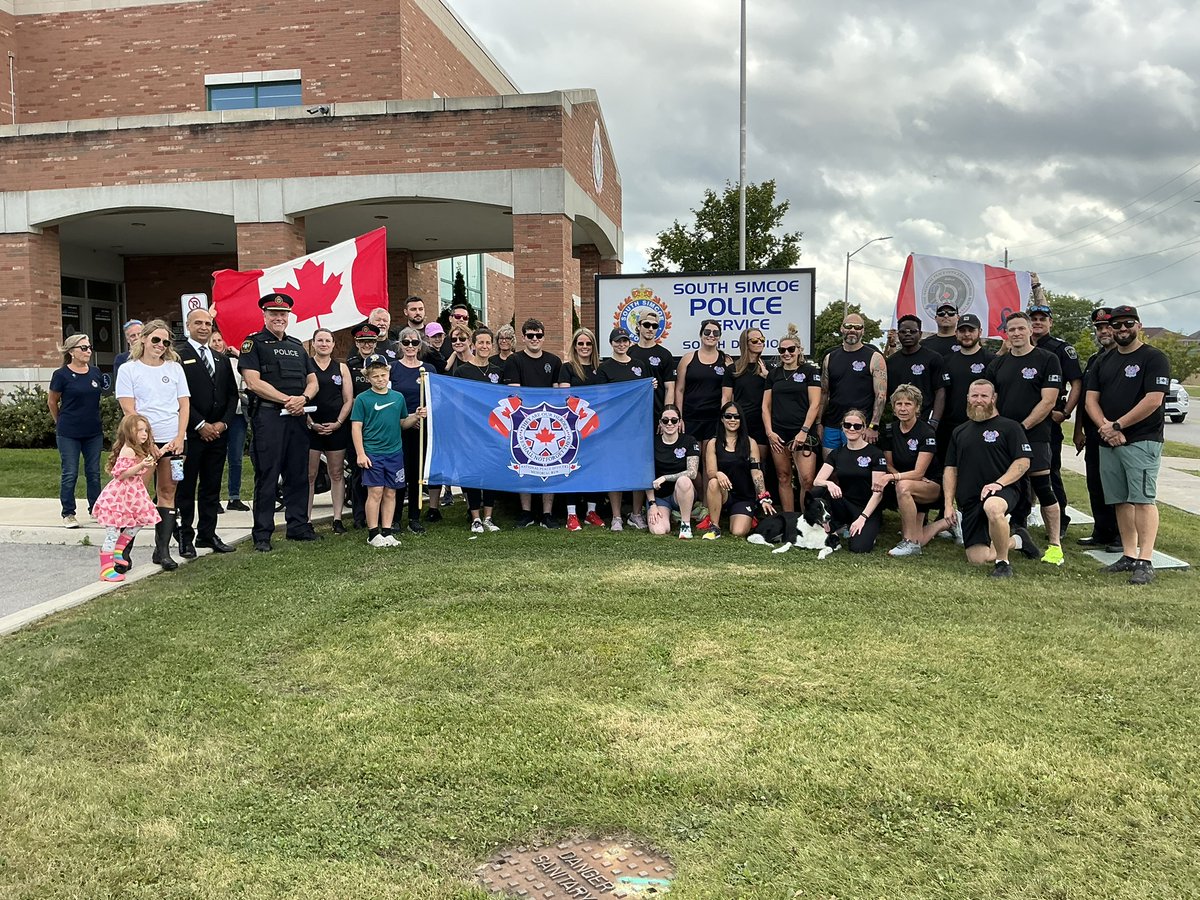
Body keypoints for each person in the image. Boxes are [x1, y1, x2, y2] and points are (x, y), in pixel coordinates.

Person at [1084, 305, 1171, 585]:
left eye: (1128, 324)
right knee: (1120, 500)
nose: (1122, 329)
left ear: (1139, 325)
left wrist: (1118, 425)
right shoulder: (1103, 361)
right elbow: (1090, 400)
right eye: (1117, 325)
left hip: (1141, 439)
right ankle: (1129, 555)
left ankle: (1145, 560)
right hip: (1109, 440)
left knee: (1143, 499)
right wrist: (1105, 428)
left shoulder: (1154, 358)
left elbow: (1153, 400)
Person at [238, 293, 320, 552]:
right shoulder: (253, 344)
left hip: (297, 418)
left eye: (283, 314)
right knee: (268, 475)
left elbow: (313, 381)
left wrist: (303, 398)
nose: (279, 318)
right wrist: (288, 400)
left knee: (298, 474)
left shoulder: (297, 346)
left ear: (288, 317)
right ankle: (262, 533)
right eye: (273, 314)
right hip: (269, 418)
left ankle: (298, 526)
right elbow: (253, 381)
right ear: (264, 315)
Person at [984, 311, 1064, 565]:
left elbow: (1049, 400)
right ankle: (1016, 535)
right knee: (1005, 486)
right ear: (1006, 334)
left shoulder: (1047, 359)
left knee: (1043, 488)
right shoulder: (998, 364)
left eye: (1021, 328)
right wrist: (1003, 428)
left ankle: (1054, 545)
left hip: (1036, 436)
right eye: (1012, 329)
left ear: (1031, 330)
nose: (1016, 333)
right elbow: (989, 399)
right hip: (1003, 438)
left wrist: (1022, 427)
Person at [943, 380, 1039, 577]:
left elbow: (1023, 462)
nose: (979, 400)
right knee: (978, 559)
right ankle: (1018, 540)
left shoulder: (1010, 427)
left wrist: (999, 483)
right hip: (970, 500)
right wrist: (948, 504)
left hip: (1004, 490)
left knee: (993, 507)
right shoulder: (959, 432)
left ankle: (1002, 563)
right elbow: (951, 469)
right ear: (968, 398)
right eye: (974, 396)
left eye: (984, 396)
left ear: (993, 398)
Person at [116, 318, 190, 570]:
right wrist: (146, 443)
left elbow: (184, 405)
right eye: (156, 339)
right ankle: (122, 552)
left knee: (168, 493)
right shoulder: (129, 370)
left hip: (174, 442)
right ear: (144, 339)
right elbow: (129, 408)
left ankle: (162, 551)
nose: (160, 345)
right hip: (142, 442)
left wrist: (180, 436)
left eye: (165, 341)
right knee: (137, 494)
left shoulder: (174, 368)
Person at [175, 307, 238, 558]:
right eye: (198, 323)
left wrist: (223, 423)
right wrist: (201, 425)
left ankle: (207, 534)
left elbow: (232, 395)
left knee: (211, 487)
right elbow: (180, 398)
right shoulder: (178, 356)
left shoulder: (220, 357)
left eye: (208, 323)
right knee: (186, 488)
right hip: (192, 434)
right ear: (188, 326)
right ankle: (185, 537)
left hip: (218, 434)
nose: (203, 327)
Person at [350, 353, 427, 547]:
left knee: (391, 492)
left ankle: (387, 531)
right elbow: (356, 427)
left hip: (394, 453)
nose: (380, 379)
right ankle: (373, 533)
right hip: (373, 452)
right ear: (367, 378)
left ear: (389, 374)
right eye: (375, 376)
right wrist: (360, 453)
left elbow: (403, 422)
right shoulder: (362, 399)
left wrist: (416, 416)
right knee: (375, 492)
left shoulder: (397, 397)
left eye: (383, 375)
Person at [590, 327, 654, 530]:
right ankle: (616, 516)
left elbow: (646, 391)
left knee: (637, 469)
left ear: (629, 342)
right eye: (617, 341)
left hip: (637, 427)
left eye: (624, 341)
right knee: (615, 469)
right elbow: (601, 398)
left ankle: (635, 514)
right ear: (611, 343)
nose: (621, 344)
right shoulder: (605, 368)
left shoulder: (639, 365)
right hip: (614, 428)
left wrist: (650, 386)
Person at [1030, 300, 1084, 533]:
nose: (1038, 322)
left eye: (1043, 319)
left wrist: (1065, 412)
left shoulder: (1061, 348)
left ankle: (1060, 519)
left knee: (1049, 470)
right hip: (1022, 417)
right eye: (1034, 318)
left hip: (1049, 418)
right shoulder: (1018, 345)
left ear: (1050, 322)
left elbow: (1077, 383)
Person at [503, 318, 563, 528]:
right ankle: (526, 512)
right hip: (523, 420)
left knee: (552, 465)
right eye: (530, 335)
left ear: (544, 337)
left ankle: (547, 514)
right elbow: (516, 392)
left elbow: (557, 393)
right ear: (523, 337)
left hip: (550, 421)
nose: (534, 339)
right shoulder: (514, 361)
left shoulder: (554, 361)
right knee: (524, 464)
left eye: (538, 335)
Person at [882, 385, 950, 556]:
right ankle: (946, 522)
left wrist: (895, 478)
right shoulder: (890, 430)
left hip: (929, 485)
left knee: (903, 486)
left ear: (917, 407)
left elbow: (919, 473)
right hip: (906, 485)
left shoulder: (926, 432)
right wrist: (898, 477)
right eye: (899, 404)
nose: (903, 408)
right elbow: (888, 465)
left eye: (908, 404)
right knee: (920, 537)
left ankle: (909, 543)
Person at [91, 414, 161, 582]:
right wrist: (141, 465)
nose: (144, 434)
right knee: (112, 532)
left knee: (140, 520)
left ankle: (119, 550)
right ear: (129, 431)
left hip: (132, 495)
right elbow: (121, 474)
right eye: (140, 430)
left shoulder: (137, 449)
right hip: (119, 498)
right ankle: (106, 569)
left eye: (146, 430)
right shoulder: (128, 450)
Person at [1073, 308, 1120, 551]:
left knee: (1117, 486)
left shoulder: (1125, 357)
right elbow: (1084, 398)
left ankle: (1121, 536)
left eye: (1107, 327)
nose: (1103, 332)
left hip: (1117, 432)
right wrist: (1078, 429)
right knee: (1096, 483)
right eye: (1099, 328)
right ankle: (1102, 531)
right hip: (1094, 433)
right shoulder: (1094, 359)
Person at [811, 408, 888, 553]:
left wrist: (863, 518)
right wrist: (829, 483)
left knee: (859, 548)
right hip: (844, 504)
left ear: (863, 428)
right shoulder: (837, 453)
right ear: (842, 427)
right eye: (847, 425)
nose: (852, 429)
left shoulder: (875, 454)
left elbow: (878, 493)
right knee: (818, 491)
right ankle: (835, 526)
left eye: (857, 426)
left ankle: (864, 529)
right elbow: (817, 481)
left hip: (867, 508)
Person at [48, 332, 105, 528]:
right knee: (70, 472)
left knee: (93, 472)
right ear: (72, 351)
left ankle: (96, 508)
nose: (88, 351)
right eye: (83, 348)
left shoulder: (95, 372)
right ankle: (68, 513)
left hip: (93, 431)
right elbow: (52, 401)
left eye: (89, 347)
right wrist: (60, 421)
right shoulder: (61, 375)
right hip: (69, 432)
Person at [762, 326, 821, 513]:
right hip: (778, 432)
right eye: (782, 350)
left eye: (790, 349)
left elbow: (815, 404)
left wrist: (804, 431)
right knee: (783, 477)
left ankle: (806, 520)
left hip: (803, 432)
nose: (786, 353)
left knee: (807, 480)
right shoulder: (774, 374)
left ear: (799, 350)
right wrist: (770, 432)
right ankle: (789, 520)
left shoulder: (810, 372)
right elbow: (765, 406)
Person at [454, 327, 504, 532]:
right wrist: (461, 430)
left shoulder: (497, 372)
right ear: (473, 345)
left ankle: (488, 517)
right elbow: (456, 403)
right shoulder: (462, 371)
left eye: (487, 343)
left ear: (492, 345)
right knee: (472, 473)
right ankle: (475, 516)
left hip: (492, 430)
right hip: (470, 431)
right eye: (480, 343)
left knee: (490, 472)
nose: (484, 346)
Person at [703, 400, 775, 540]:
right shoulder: (713, 443)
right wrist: (719, 474)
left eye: (736, 417)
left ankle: (747, 516)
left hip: (743, 496)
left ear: (741, 420)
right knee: (713, 482)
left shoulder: (750, 443)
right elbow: (711, 471)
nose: (732, 420)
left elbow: (756, 472)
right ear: (722, 419)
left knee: (738, 532)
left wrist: (764, 497)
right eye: (728, 416)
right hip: (724, 494)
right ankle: (715, 526)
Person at [305, 327, 353, 533]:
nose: (324, 344)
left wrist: (339, 423)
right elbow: (301, 396)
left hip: (336, 427)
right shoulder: (305, 366)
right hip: (311, 427)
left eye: (328, 340)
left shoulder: (341, 368)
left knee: (336, 473)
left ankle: (337, 519)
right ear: (313, 343)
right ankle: (305, 520)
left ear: (333, 345)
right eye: (320, 340)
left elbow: (348, 399)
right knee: (310, 475)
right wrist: (309, 423)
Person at [819, 313, 886, 456]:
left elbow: (881, 395)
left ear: (863, 331)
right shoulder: (830, 358)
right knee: (830, 471)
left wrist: (873, 426)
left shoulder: (874, 357)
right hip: (832, 425)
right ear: (841, 329)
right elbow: (824, 393)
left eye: (857, 327)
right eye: (848, 326)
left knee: (855, 471)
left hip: (859, 426)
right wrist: (819, 423)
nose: (852, 330)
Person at [557, 327, 603, 531]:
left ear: (593, 346)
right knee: (572, 468)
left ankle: (591, 512)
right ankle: (572, 514)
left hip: (595, 427)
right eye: (580, 343)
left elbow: (606, 397)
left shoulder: (600, 370)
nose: (584, 347)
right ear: (574, 346)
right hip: (572, 426)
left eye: (588, 343)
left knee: (594, 467)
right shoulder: (567, 368)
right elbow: (564, 398)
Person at [390, 326, 436, 532]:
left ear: (420, 345)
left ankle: (414, 518)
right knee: (400, 473)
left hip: (421, 429)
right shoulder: (392, 369)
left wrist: (423, 414)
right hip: (399, 429)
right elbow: (389, 399)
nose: (410, 346)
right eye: (406, 342)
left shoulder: (429, 369)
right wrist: (408, 417)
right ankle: (396, 517)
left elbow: (436, 399)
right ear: (400, 345)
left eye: (414, 342)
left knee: (416, 474)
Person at [721, 327, 770, 495]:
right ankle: (740, 500)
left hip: (762, 423)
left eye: (762, 340)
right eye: (754, 340)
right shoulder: (733, 369)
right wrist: (725, 422)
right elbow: (726, 399)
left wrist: (766, 376)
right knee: (740, 461)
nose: (759, 343)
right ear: (745, 343)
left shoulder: (768, 369)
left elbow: (779, 394)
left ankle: (761, 500)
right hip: (740, 423)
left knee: (759, 464)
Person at [345, 323, 382, 529]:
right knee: (359, 473)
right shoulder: (349, 366)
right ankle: (359, 516)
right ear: (356, 343)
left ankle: (383, 516)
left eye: (370, 341)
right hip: (358, 427)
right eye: (362, 341)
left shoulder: (384, 364)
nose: (366, 345)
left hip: (381, 428)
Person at [210, 330, 250, 512]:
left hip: (238, 416)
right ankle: (214, 498)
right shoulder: (208, 364)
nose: (217, 343)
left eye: (220, 339)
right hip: (217, 417)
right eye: (214, 340)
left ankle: (234, 497)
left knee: (236, 458)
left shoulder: (234, 361)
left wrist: (238, 355)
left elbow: (250, 374)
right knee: (215, 459)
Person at [646, 404, 699, 539]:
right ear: (660, 423)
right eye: (665, 420)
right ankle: (671, 515)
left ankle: (685, 525)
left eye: (674, 420)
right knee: (659, 530)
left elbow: (692, 472)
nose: (670, 423)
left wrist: (665, 477)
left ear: (679, 422)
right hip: (659, 497)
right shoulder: (651, 443)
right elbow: (646, 474)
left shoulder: (689, 441)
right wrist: (652, 504)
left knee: (684, 480)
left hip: (680, 493)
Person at [886, 314, 945, 424]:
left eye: (912, 331)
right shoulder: (891, 362)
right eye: (903, 332)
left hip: (925, 421)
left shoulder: (934, 358)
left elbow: (940, 391)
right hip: (899, 422)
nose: (908, 334)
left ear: (920, 334)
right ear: (898, 334)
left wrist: (935, 421)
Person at [628, 310, 675, 415]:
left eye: (654, 326)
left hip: (656, 413)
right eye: (646, 325)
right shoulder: (628, 353)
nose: (650, 329)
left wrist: (666, 415)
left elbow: (670, 388)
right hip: (633, 413)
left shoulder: (665, 354)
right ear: (638, 326)